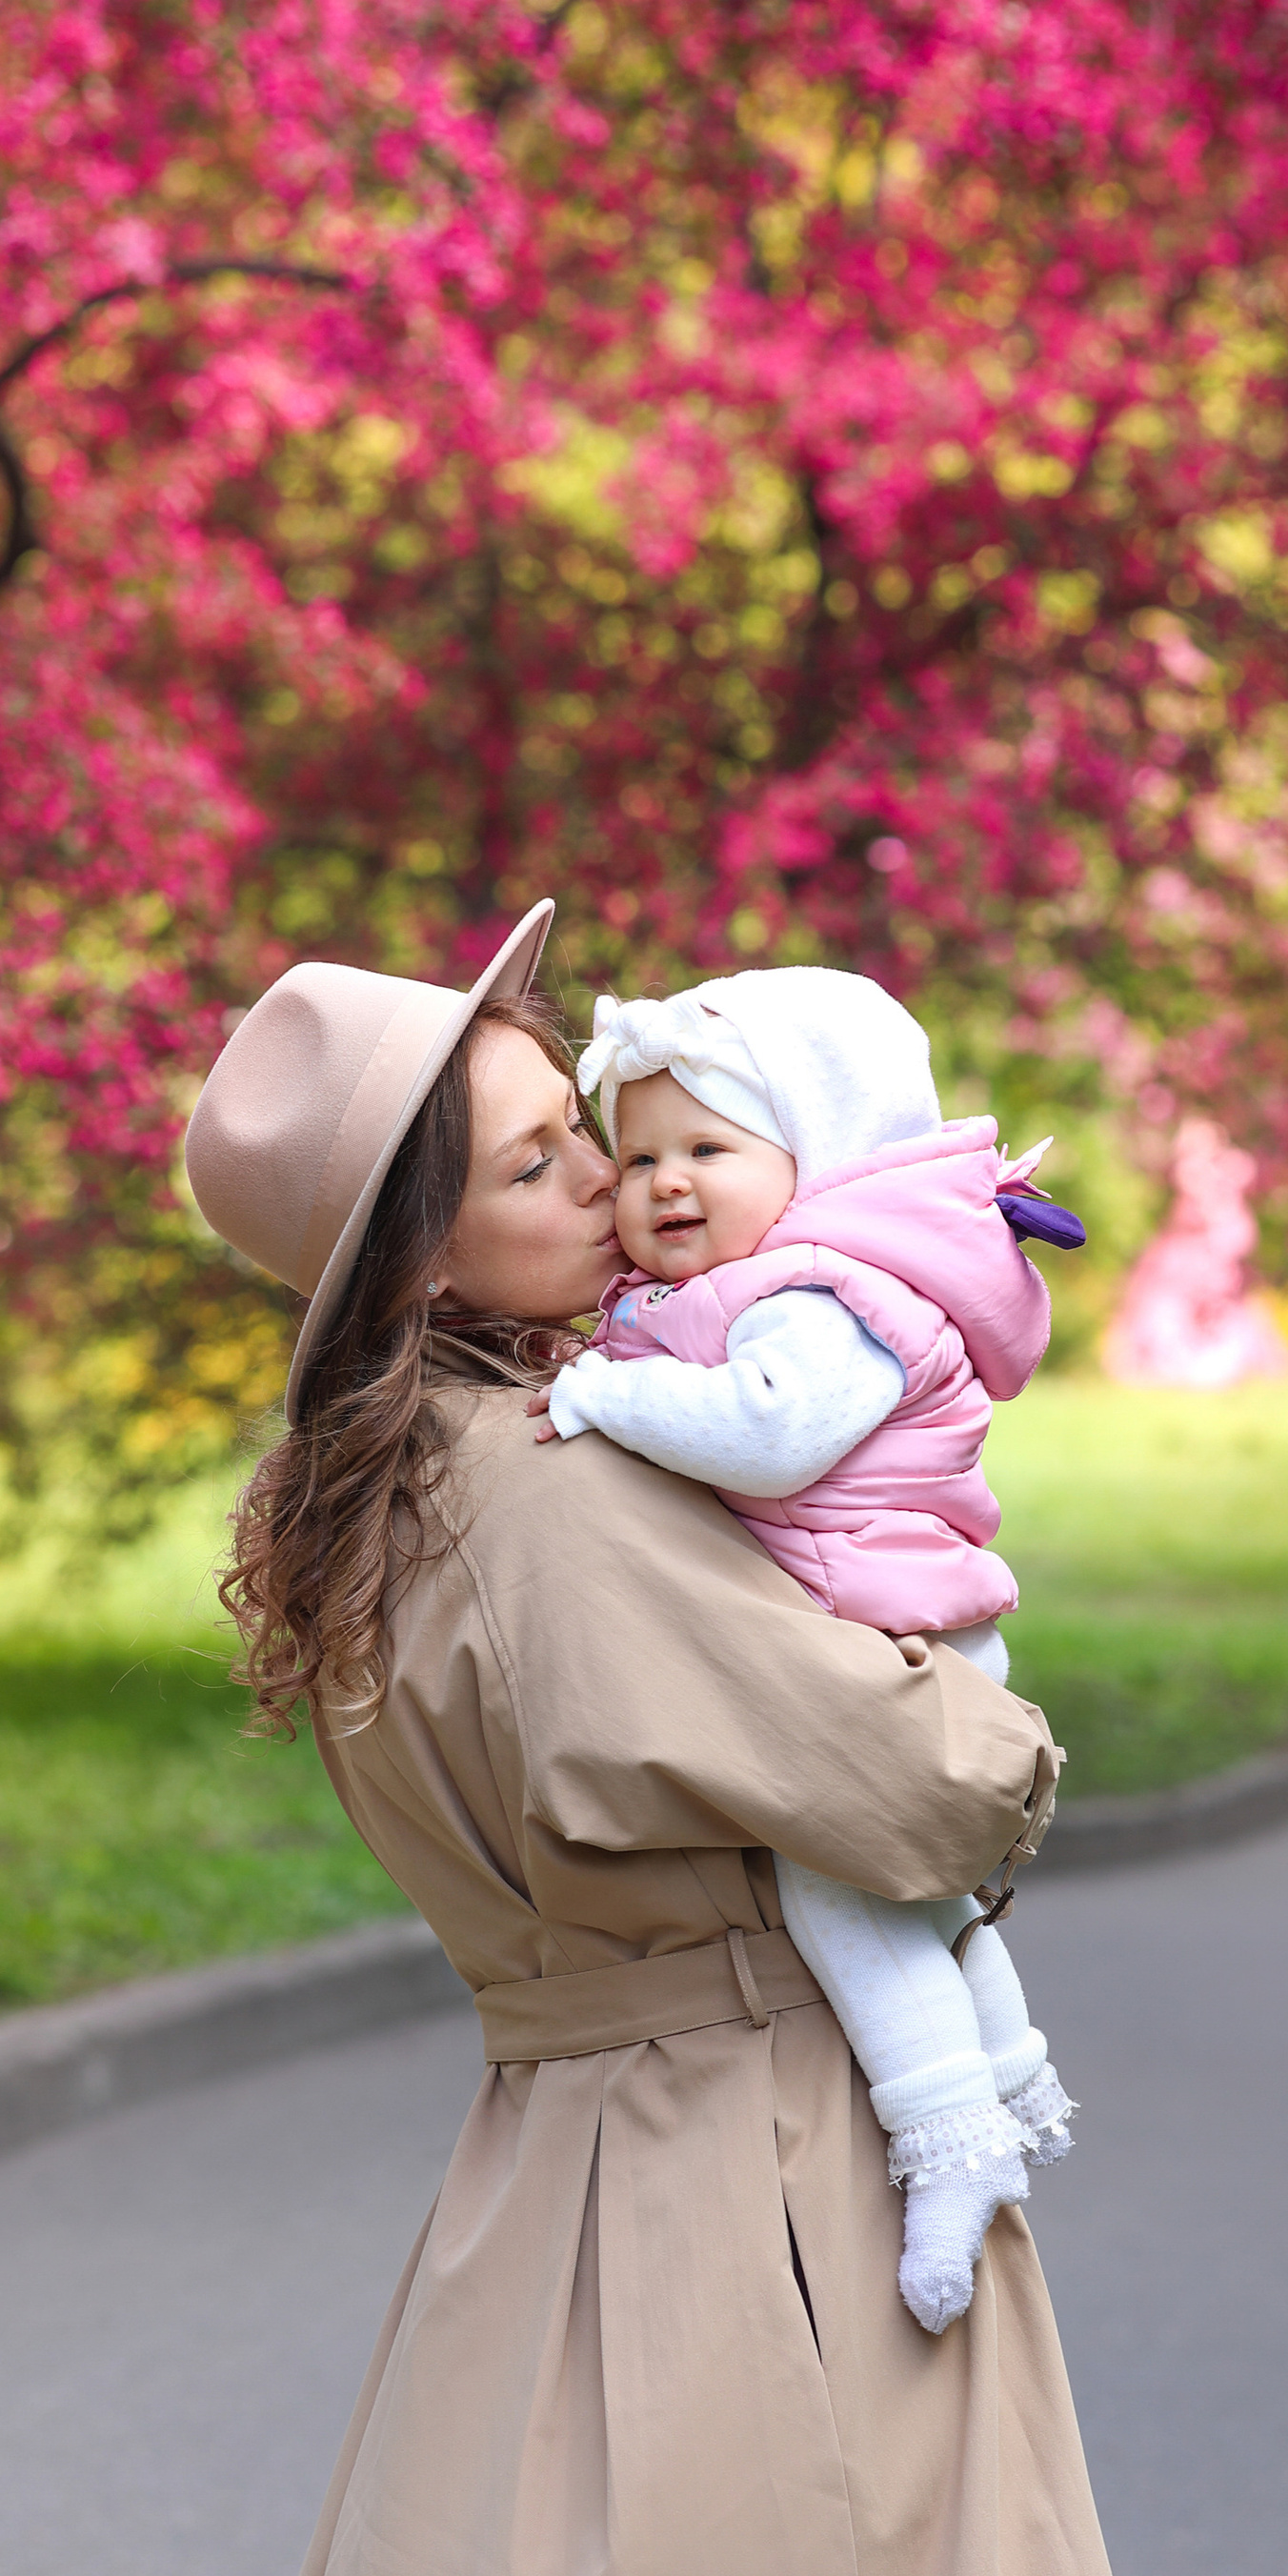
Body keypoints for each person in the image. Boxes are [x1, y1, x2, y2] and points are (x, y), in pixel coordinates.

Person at [178, 898, 1232, 2576]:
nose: (609, 1186)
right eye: (537, 1162)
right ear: (420, 1264)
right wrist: (979, 1712)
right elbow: (919, 1787)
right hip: (744, 2156)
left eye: (585, 1130)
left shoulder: (387, 1497)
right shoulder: (563, 1489)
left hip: (540, 2164)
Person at [535, 967, 1077, 2338]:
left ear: (815, 1155)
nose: (663, 1183)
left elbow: (771, 1431)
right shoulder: (757, 1279)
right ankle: (1008, 2076)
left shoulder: (822, 1299)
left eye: (709, 1150)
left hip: (885, 1629)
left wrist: (608, 1393)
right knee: (925, 1895)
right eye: (640, 1153)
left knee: (840, 1888)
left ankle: (948, 2140)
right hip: (884, 1619)